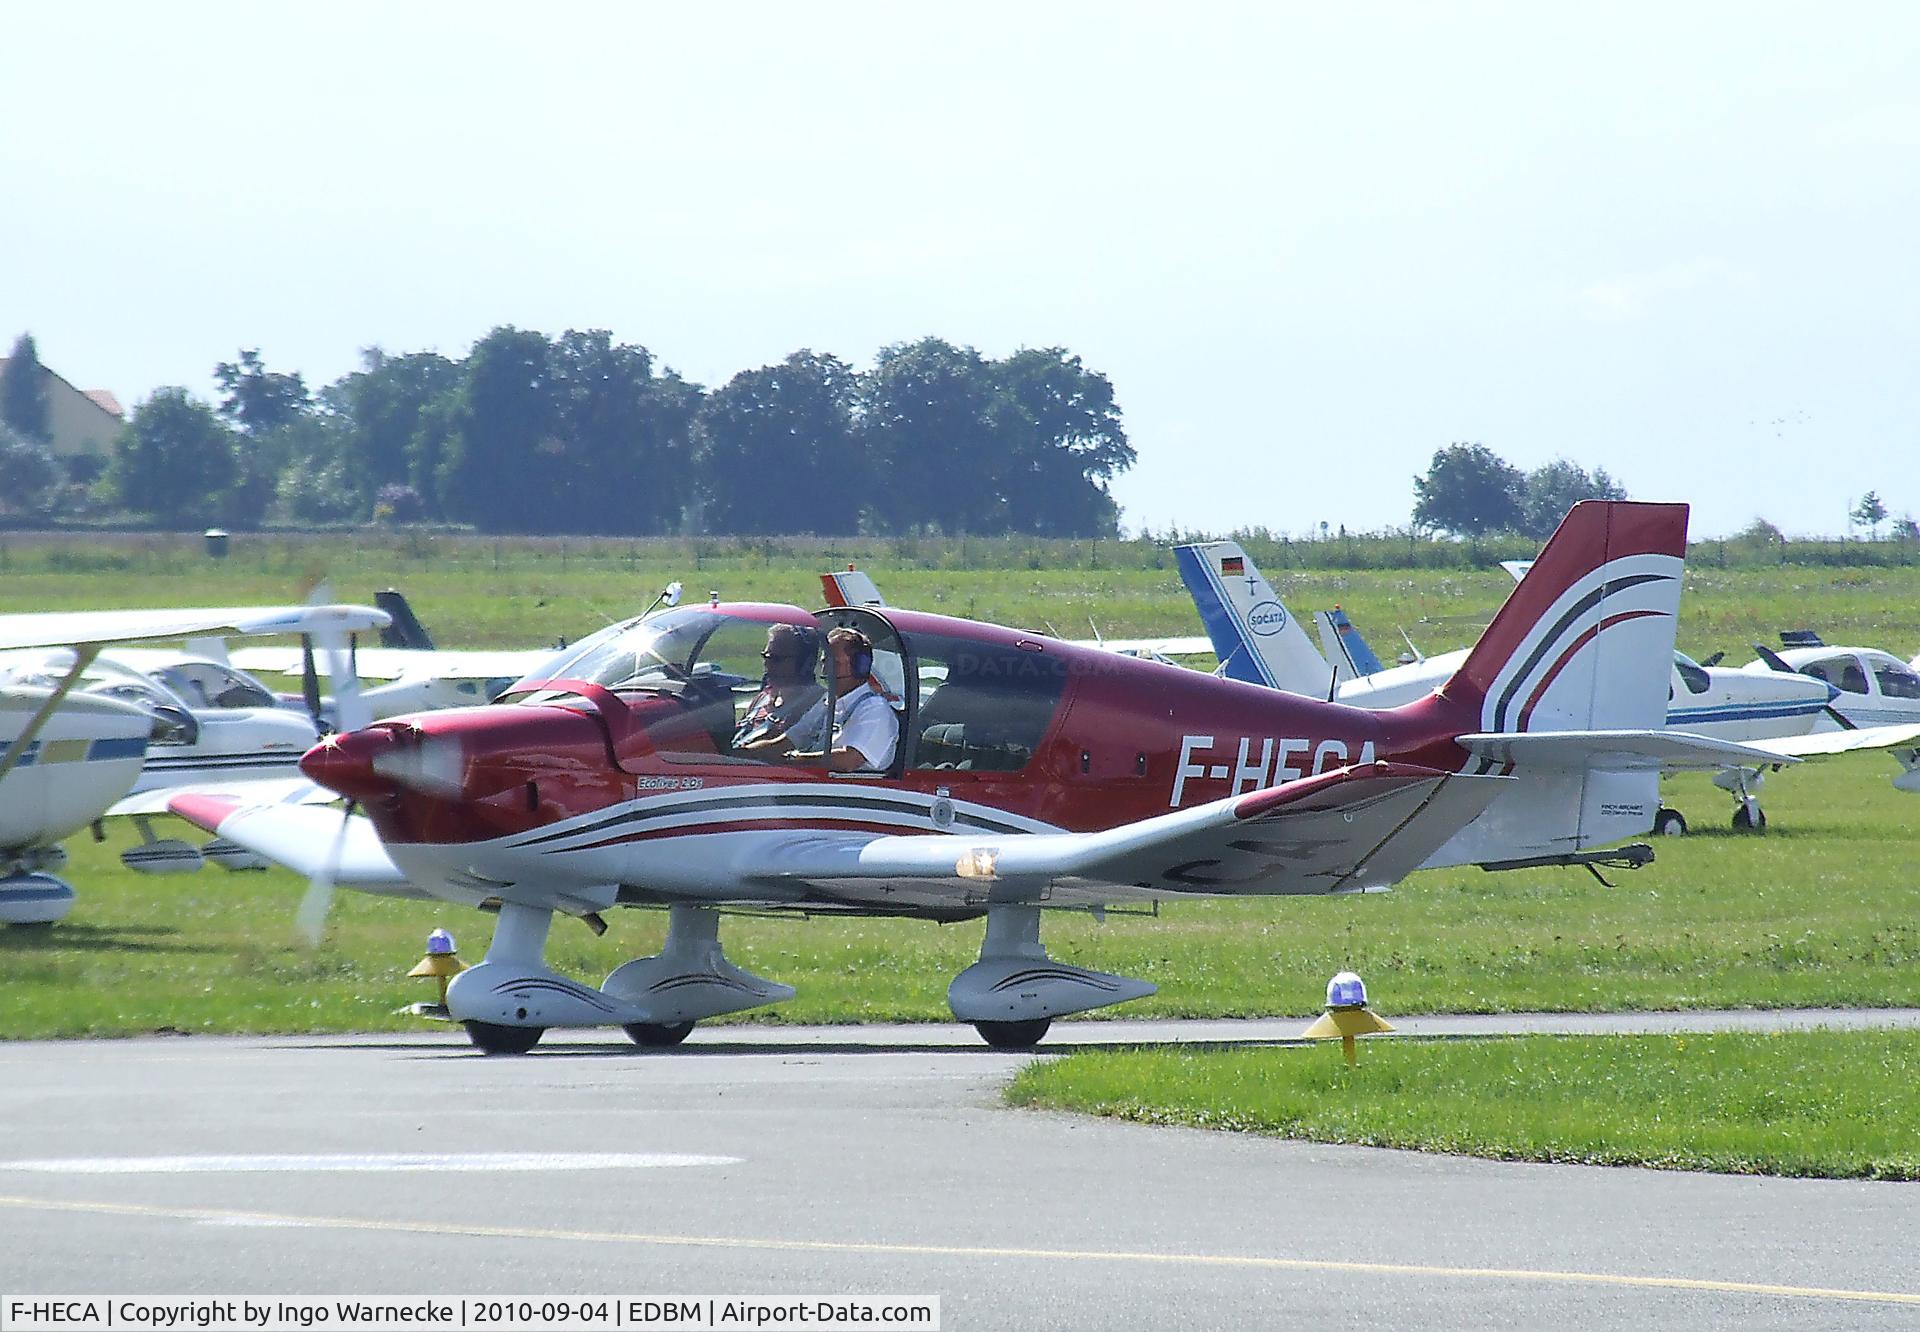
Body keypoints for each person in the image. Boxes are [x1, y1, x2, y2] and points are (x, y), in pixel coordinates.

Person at [741, 626, 898, 772]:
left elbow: (848, 760)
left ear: (859, 666)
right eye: (824, 662)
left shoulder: (875, 710)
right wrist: (741, 754)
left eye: (833, 663)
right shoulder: (827, 703)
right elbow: (788, 741)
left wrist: (794, 759)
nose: (825, 670)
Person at [731, 624, 824, 749]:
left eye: (776, 659)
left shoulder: (820, 705)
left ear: (805, 664)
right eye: (766, 657)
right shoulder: (761, 699)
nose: (768, 665)